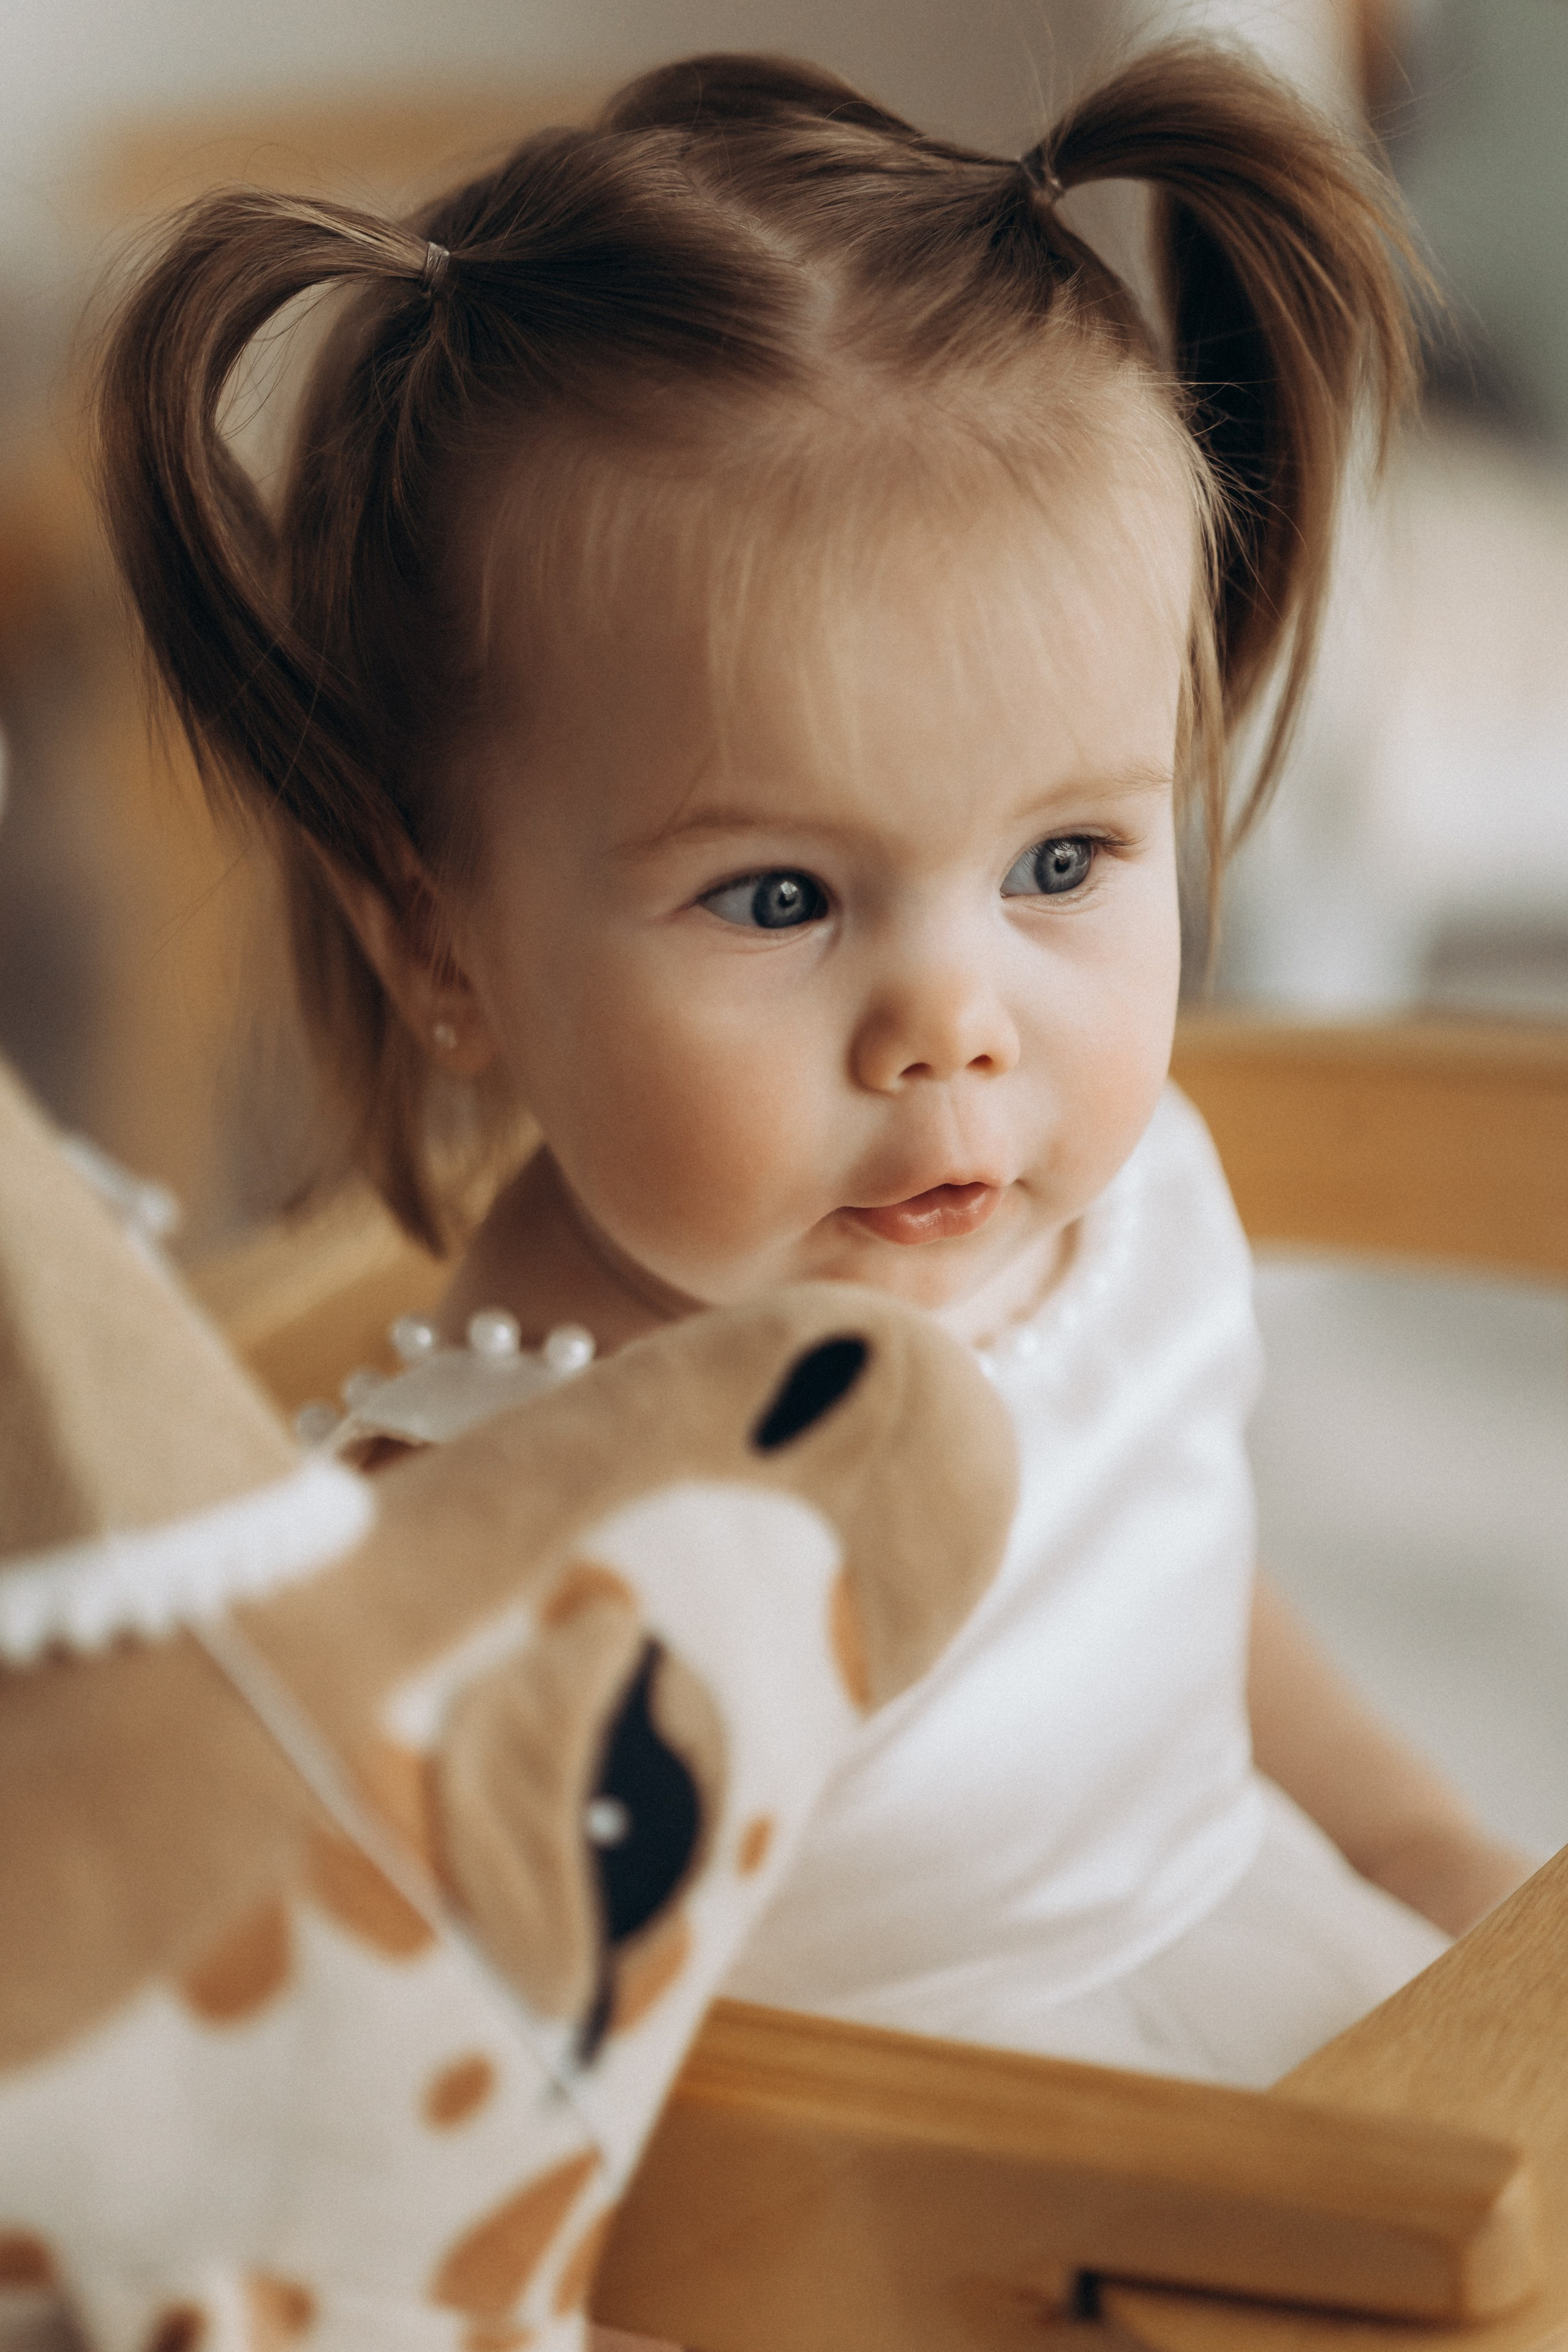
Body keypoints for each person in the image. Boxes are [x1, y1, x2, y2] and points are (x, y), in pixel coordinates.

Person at [96, 40, 1532, 2091]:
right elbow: (395, 2080)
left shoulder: (1125, 1206)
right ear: (442, 939)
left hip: (1269, 1984)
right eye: (778, 900)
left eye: (1064, 860)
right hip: (884, 2210)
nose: (957, 1022)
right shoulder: (485, 1519)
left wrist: (1407, 1836)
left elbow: (1175, 1569)